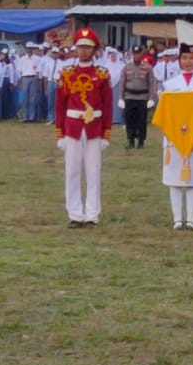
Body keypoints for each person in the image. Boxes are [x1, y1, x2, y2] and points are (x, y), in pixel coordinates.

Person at [54, 28, 111, 228]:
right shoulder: (67, 73)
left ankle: (92, 214)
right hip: (72, 127)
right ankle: (75, 214)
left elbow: (107, 105)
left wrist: (106, 133)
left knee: (93, 171)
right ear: (75, 48)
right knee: (72, 171)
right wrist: (59, 132)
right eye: (80, 47)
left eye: (88, 47)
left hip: (94, 126)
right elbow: (60, 105)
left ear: (94, 49)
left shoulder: (102, 74)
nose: (84, 51)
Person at [154, 43, 193, 230]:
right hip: (174, 137)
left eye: (191, 58)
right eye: (184, 58)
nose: (188, 62)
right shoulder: (170, 85)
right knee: (175, 180)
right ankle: (178, 219)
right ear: (179, 60)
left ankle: (191, 219)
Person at [118, 51, 157, 149]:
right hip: (129, 96)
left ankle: (141, 142)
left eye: (138, 53)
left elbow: (152, 83)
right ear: (132, 55)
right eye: (135, 54)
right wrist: (121, 98)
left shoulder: (147, 67)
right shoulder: (127, 67)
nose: (137, 56)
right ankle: (130, 140)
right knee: (130, 120)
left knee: (141, 121)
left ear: (141, 55)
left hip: (142, 97)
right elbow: (122, 83)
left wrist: (151, 98)